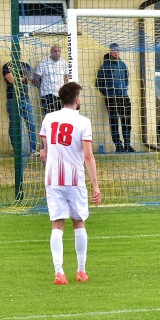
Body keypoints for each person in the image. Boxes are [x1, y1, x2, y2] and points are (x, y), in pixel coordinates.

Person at [38, 82, 102, 285]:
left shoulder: (49, 119)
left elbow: (44, 153)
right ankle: (81, 271)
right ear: (76, 99)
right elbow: (88, 156)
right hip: (74, 180)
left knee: (57, 224)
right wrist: (96, 186)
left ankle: (59, 272)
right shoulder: (83, 122)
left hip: (53, 179)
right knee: (78, 222)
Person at [96, 43, 134, 152]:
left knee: (126, 121)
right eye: (114, 50)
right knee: (114, 122)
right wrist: (107, 93)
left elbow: (126, 80)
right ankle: (118, 145)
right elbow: (99, 83)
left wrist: (123, 89)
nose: (116, 52)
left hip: (123, 96)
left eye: (118, 50)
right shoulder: (105, 66)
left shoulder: (123, 65)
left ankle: (127, 144)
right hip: (111, 98)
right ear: (110, 52)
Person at [3, 59, 38, 155]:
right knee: (14, 125)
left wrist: (18, 78)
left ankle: (33, 150)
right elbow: (11, 80)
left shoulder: (25, 65)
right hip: (12, 100)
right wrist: (23, 77)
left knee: (31, 124)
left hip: (25, 99)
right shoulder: (7, 66)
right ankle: (17, 151)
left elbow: (31, 77)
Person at [35, 45, 69, 115]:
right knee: (50, 118)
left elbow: (66, 77)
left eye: (59, 51)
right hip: (47, 95)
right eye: (55, 51)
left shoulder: (63, 63)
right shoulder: (44, 63)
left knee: (61, 117)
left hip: (60, 95)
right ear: (51, 52)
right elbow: (36, 77)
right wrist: (41, 88)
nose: (57, 53)